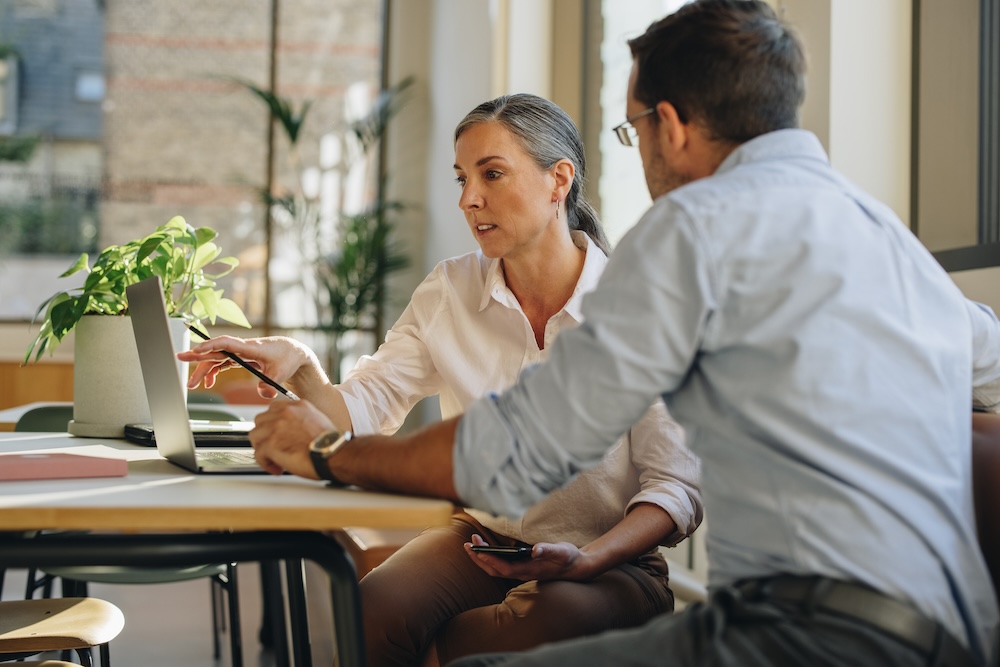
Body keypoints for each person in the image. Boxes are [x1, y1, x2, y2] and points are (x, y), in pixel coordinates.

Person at [239, 1, 1000, 665]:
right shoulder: (881, 234)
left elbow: (514, 451)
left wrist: (330, 451)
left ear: (668, 126)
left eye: (632, 128)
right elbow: (989, 362)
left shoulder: (694, 230)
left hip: (795, 636)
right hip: (961, 633)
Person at [180, 93, 702, 666]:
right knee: (368, 612)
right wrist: (302, 366)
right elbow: (364, 410)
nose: (469, 199)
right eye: (462, 179)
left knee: (500, 635)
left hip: (610, 564)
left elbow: (675, 489)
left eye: (492, 174)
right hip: (479, 540)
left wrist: (585, 560)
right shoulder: (449, 291)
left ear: (559, 181)